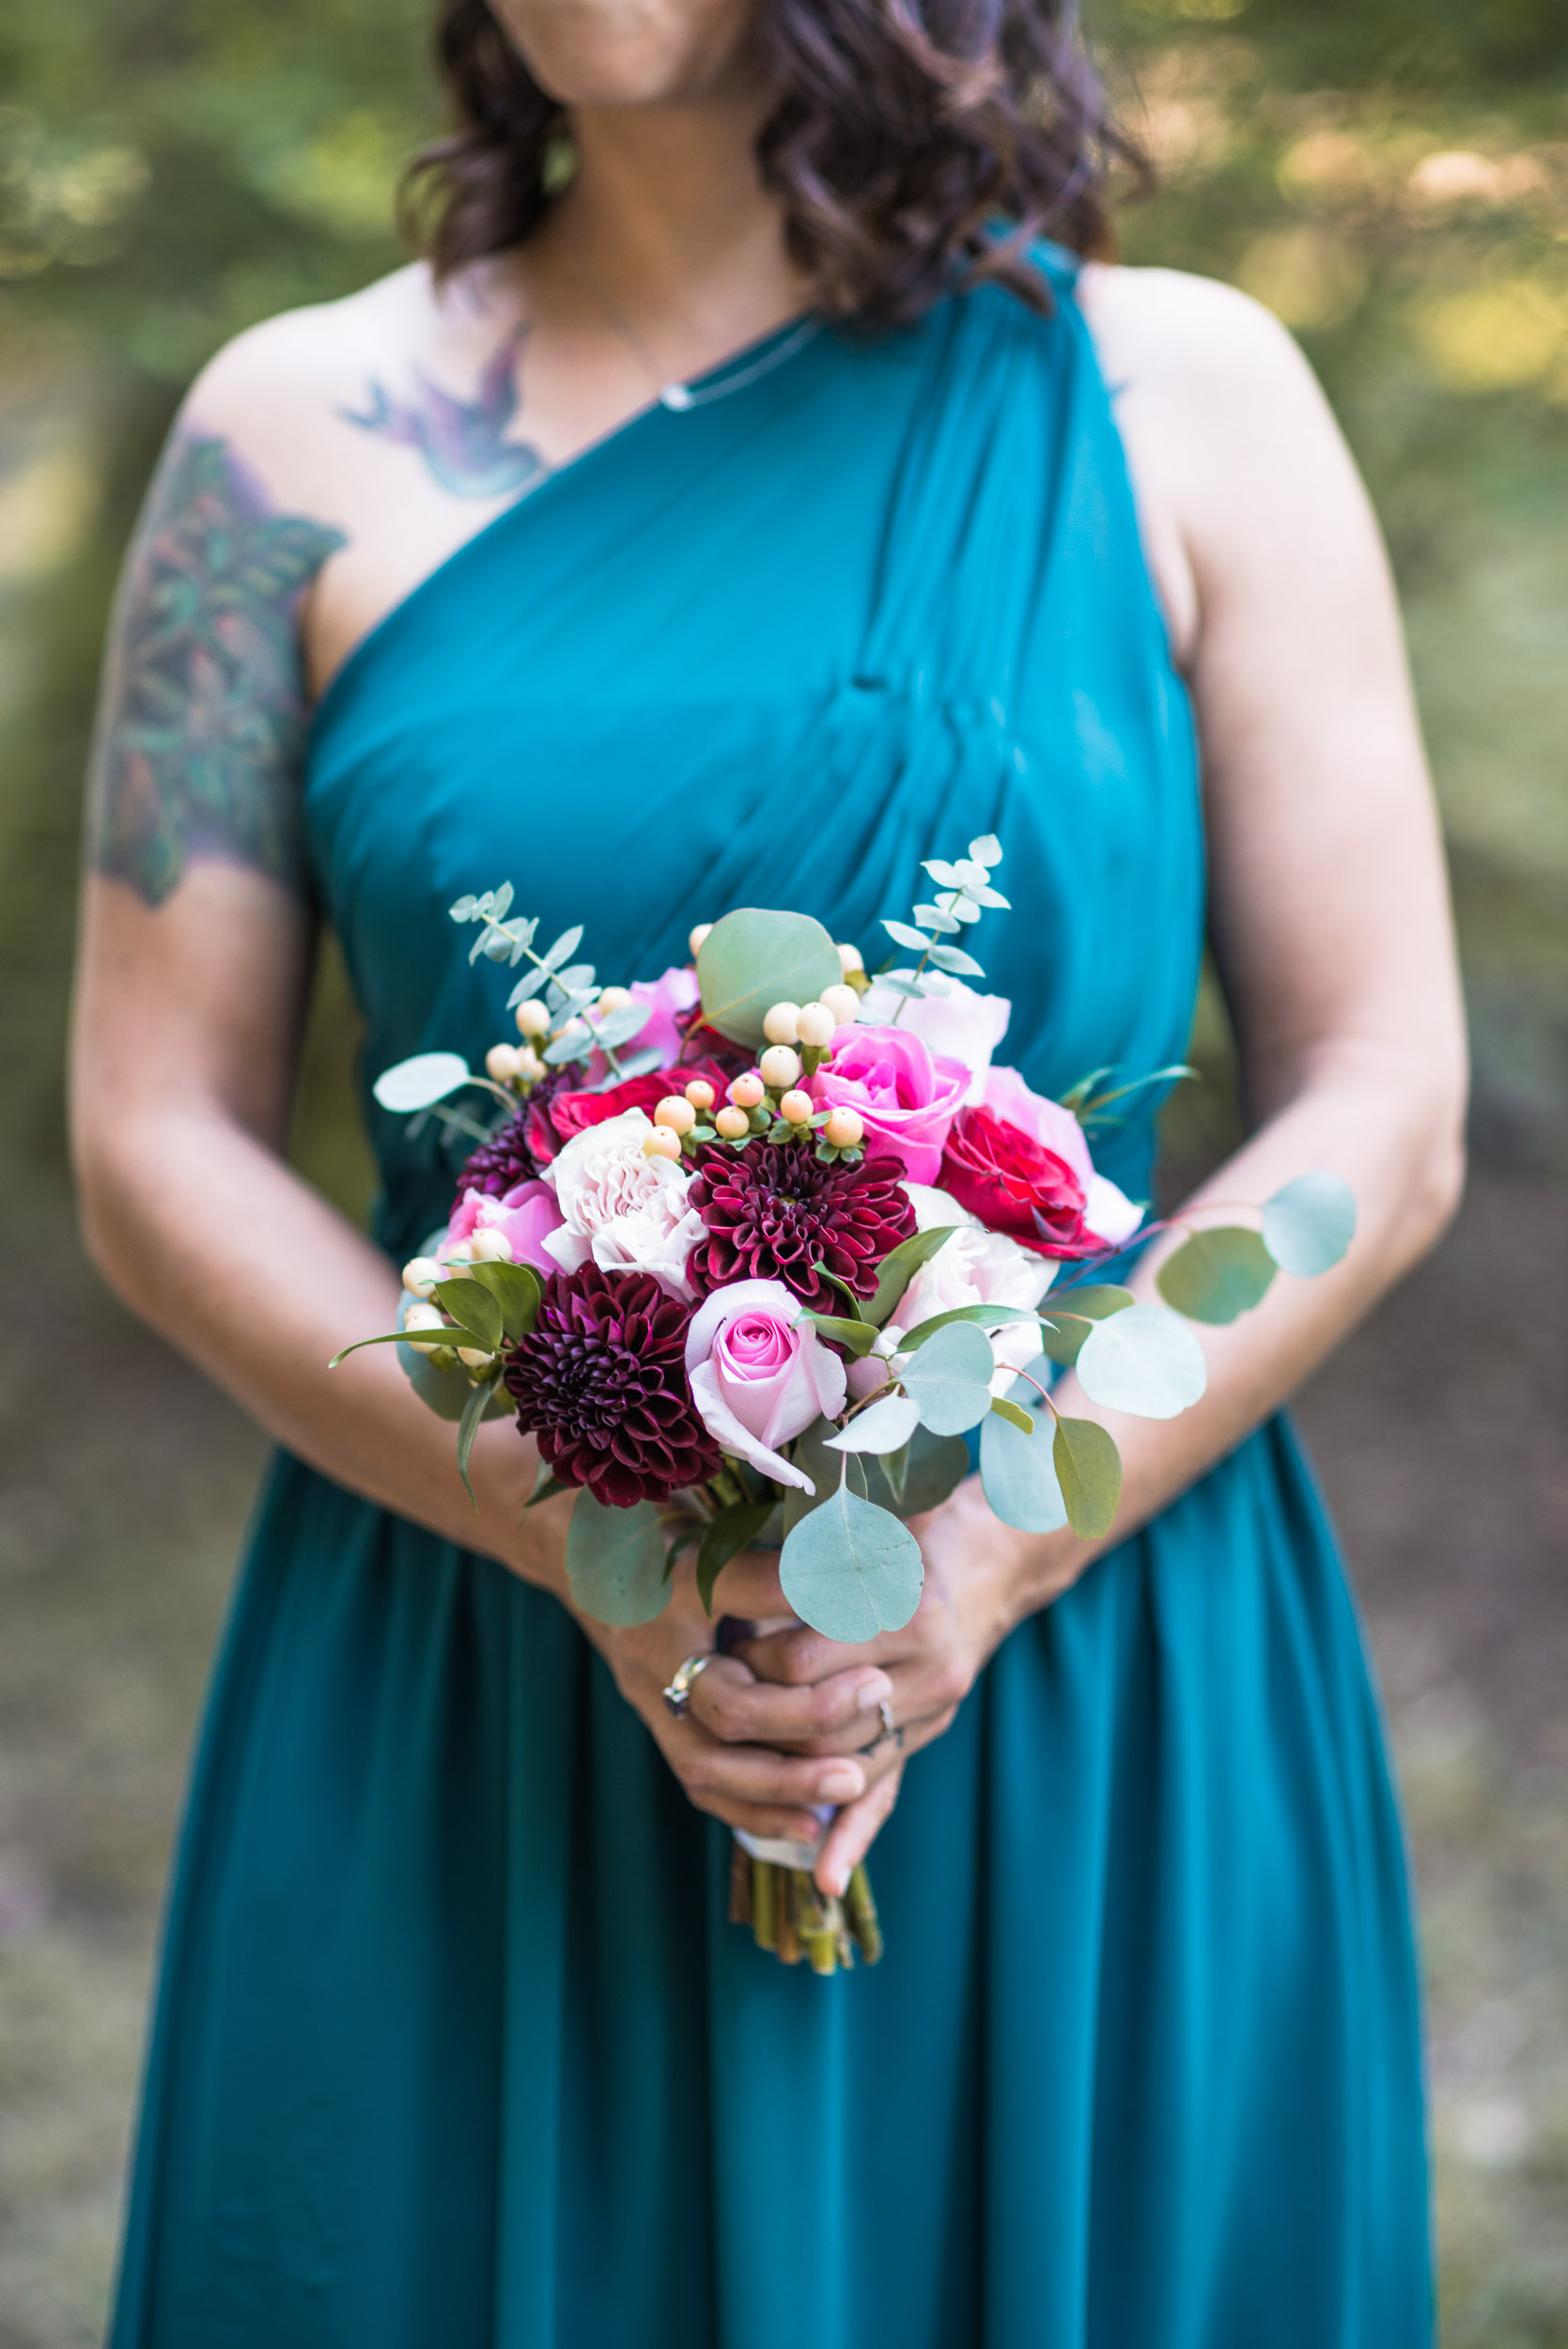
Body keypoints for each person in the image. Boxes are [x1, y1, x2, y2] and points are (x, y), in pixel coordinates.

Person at [72, 0, 1467, 2341]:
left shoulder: (1181, 398)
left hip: (1068, 1631)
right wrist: (572, 1520)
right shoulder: (289, 434)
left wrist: (988, 1541)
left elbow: (1383, 1091)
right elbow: (150, 1133)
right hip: (479, 1626)